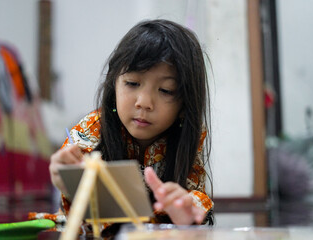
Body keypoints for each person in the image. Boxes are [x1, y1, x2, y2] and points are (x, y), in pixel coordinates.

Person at [49, 19, 214, 235]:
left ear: (185, 104)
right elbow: (79, 221)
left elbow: (192, 204)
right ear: (113, 85)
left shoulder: (190, 134)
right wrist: (68, 182)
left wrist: (185, 217)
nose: (144, 102)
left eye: (166, 90)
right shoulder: (91, 129)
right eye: (132, 83)